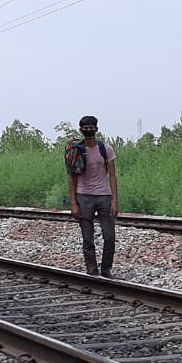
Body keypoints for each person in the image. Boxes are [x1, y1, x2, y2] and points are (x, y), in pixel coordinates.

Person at [68, 115, 118, 277]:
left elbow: (112, 175)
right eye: (85, 128)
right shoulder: (76, 151)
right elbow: (72, 177)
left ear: (96, 129)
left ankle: (106, 269)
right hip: (84, 197)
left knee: (109, 237)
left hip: (104, 196)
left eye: (91, 127)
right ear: (81, 130)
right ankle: (91, 269)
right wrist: (74, 203)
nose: (88, 130)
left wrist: (115, 201)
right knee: (88, 238)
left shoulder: (106, 150)